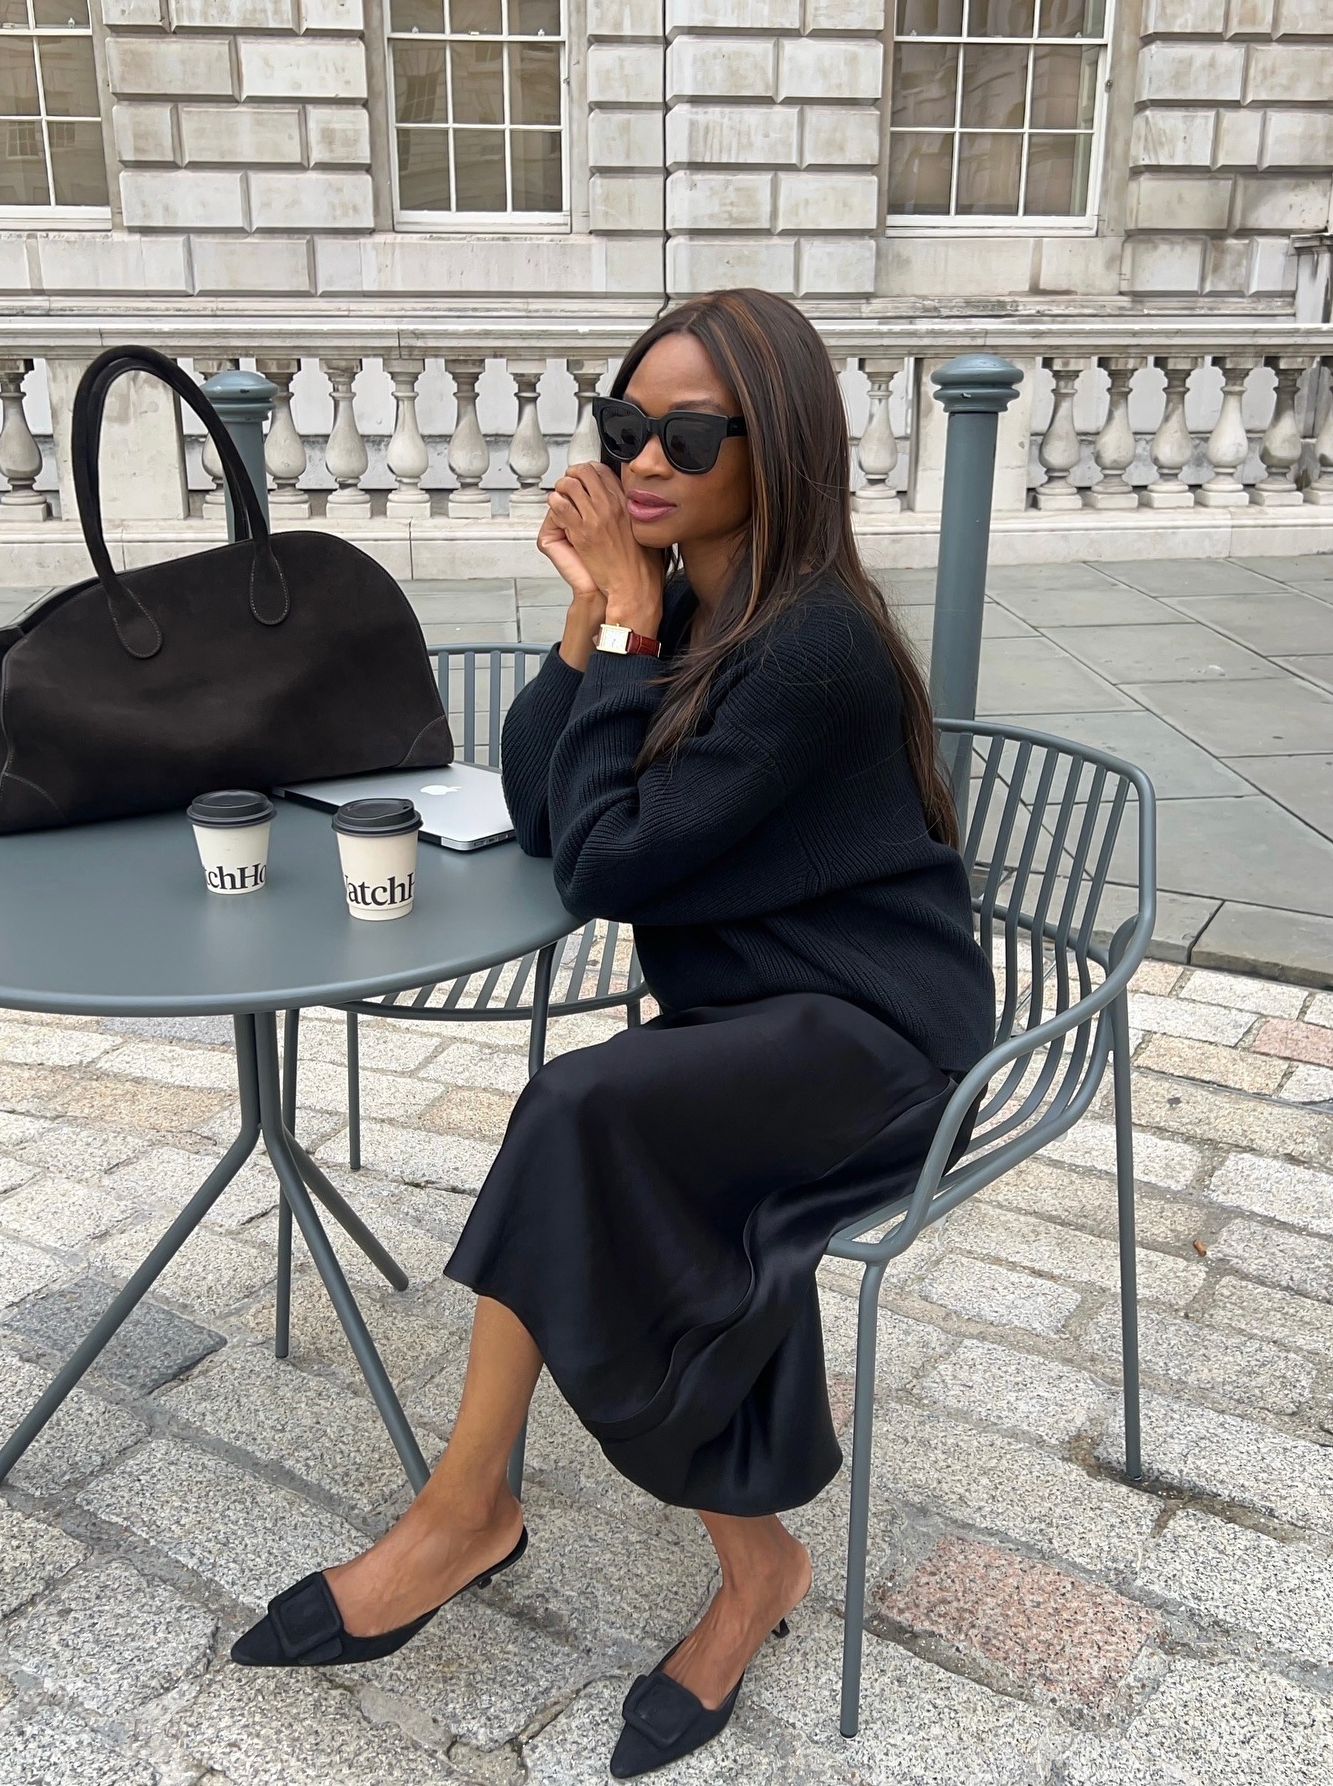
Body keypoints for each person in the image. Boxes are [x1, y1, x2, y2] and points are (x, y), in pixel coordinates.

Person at [232, 289, 994, 1775]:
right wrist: (595, 618)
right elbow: (542, 797)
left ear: (778, 449)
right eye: (626, 424)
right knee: (606, 1138)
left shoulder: (812, 646)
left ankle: (474, 1514)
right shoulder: (696, 602)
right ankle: (702, 1553)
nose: (645, 459)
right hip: (748, 1017)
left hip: (879, 1037)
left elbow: (604, 865)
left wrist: (634, 620)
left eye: (689, 437)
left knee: (585, 1116)